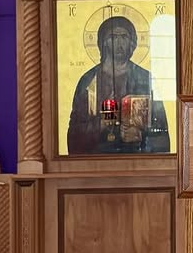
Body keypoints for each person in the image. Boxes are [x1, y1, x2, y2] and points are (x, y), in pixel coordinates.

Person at [67, 16, 169, 154]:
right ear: (103, 43)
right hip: (97, 159)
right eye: (113, 37)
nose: (119, 42)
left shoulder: (145, 79)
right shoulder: (89, 81)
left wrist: (141, 136)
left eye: (124, 37)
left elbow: (161, 130)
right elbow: (74, 134)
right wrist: (100, 125)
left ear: (132, 43)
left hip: (136, 159)